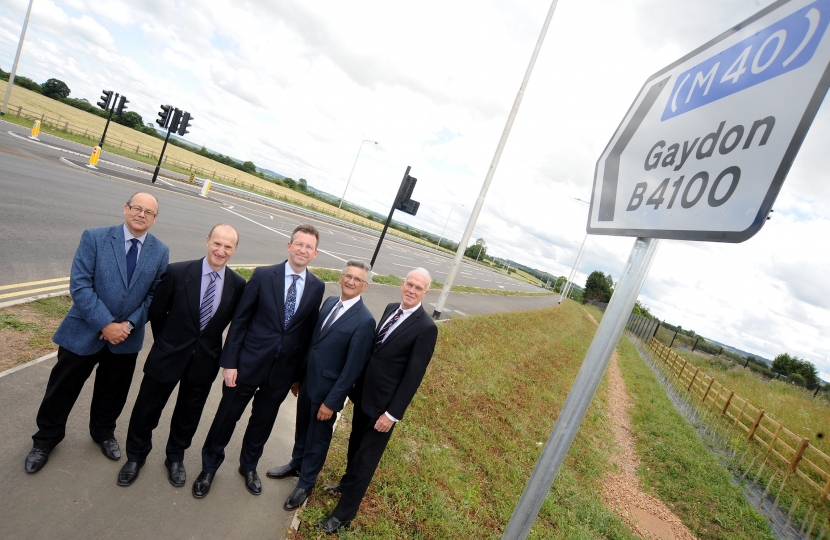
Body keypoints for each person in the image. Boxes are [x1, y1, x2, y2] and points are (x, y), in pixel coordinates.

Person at [25, 192, 169, 474]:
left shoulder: (160, 251)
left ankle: (103, 433)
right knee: (62, 389)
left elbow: (155, 296)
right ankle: (45, 439)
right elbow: (80, 285)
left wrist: (127, 326)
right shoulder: (95, 237)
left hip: (126, 339)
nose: (141, 215)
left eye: (148, 212)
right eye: (136, 208)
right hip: (83, 330)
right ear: (126, 208)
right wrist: (105, 324)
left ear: (155, 219)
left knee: (113, 393)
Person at [193, 224, 325, 499]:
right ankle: (209, 467)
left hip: (281, 372)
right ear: (289, 246)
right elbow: (240, 321)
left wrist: (297, 375)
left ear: (315, 253)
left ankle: (248, 466)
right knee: (226, 417)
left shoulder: (316, 286)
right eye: (298, 244)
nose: (303, 250)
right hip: (246, 364)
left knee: (262, 422)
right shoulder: (264, 275)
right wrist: (230, 363)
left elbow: (307, 332)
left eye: (309, 247)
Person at [117, 224, 246, 487]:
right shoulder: (177, 272)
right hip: (168, 355)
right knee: (147, 408)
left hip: (204, 361)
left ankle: (175, 457)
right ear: (207, 240)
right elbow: (157, 313)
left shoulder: (238, 285)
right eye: (217, 243)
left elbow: (235, 326)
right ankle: (136, 456)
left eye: (228, 246)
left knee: (189, 414)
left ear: (234, 250)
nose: (220, 251)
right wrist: (170, 341)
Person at [315, 268, 438, 534]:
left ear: (425, 293)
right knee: (354, 446)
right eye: (409, 284)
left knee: (365, 461)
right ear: (403, 283)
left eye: (418, 288)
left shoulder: (427, 328)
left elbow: (412, 377)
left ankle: (342, 516)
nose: (412, 290)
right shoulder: (392, 308)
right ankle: (345, 484)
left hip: (383, 409)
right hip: (364, 396)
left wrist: (392, 415)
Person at [267, 260, 376, 511]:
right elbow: (312, 344)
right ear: (340, 277)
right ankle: (296, 463)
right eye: (347, 276)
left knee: (318, 438)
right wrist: (298, 376)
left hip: (328, 393)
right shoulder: (329, 303)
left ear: (365, 286)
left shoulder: (365, 321)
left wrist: (332, 401)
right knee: (302, 428)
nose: (350, 281)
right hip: (308, 382)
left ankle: (306, 483)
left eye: (356, 279)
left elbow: (353, 369)